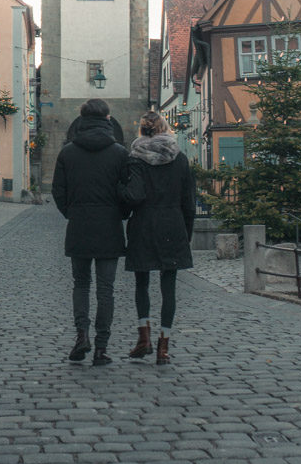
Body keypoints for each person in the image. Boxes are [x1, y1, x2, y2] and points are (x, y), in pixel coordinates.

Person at [52, 98, 129, 365]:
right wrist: (121, 213)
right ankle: (101, 347)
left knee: (81, 285)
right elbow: (127, 191)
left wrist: (71, 213)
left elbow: (58, 191)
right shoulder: (120, 152)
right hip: (109, 226)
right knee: (106, 289)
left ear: (82, 119)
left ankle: (81, 335)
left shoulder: (68, 152)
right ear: (107, 119)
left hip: (80, 225)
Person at [122, 111, 195, 365]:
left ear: (142, 131)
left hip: (143, 223)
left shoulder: (135, 159)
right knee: (169, 286)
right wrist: (186, 233)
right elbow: (189, 202)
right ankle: (164, 346)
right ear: (165, 129)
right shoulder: (180, 158)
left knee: (142, 284)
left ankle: (144, 339)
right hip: (172, 224)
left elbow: (134, 196)